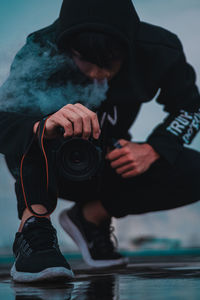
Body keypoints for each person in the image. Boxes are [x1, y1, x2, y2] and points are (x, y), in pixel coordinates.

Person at [0, 0, 200, 283]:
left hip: (110, 164)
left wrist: (154, 148)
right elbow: (4, 120)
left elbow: (192, 108)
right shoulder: (41, 50)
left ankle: (91, 217)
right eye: (86, 61)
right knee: (29, 134)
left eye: (109, 63)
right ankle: (35, 230)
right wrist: (42, 126)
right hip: (50, 169)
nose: (97, 74)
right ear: (68, 48)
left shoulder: (158, 49)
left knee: (194, 169)